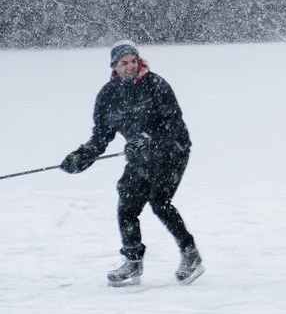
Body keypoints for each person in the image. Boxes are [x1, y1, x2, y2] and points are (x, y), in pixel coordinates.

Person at [64, 41, 201, 287]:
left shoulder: (156, 84)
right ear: (114, 66)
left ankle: (190, 254)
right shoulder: (107, 95)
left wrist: (149, 138)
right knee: (127, 201)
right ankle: (133, 262)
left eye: (133, 61)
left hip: (173, 150)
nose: (130, 67)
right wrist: (81, 157)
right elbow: (101, 136)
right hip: (141, 156)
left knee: (159, 201)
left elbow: (174, 123)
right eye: (124, 62)